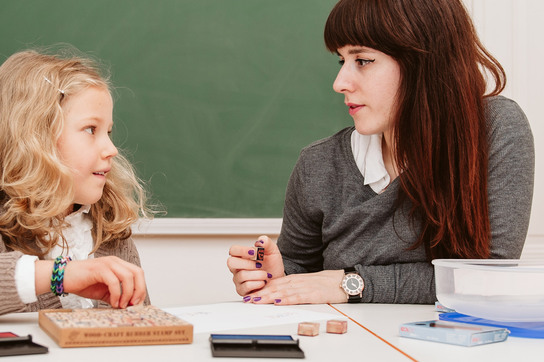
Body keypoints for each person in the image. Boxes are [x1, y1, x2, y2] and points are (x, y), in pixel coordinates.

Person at [227, 0, 534, 305]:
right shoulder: (317, 165)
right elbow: (304, 274)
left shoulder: (495, 129)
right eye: (341, 61)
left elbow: (489, 277)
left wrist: (352, 283)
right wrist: (274, 279)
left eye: (362, 60)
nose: (340, 83)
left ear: (423, 60)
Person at [0, 48, 152, 315]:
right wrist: (61, 274)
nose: (111, 149)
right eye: (91, 129)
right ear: (36, 137)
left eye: (108, 131)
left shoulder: (109, 230)